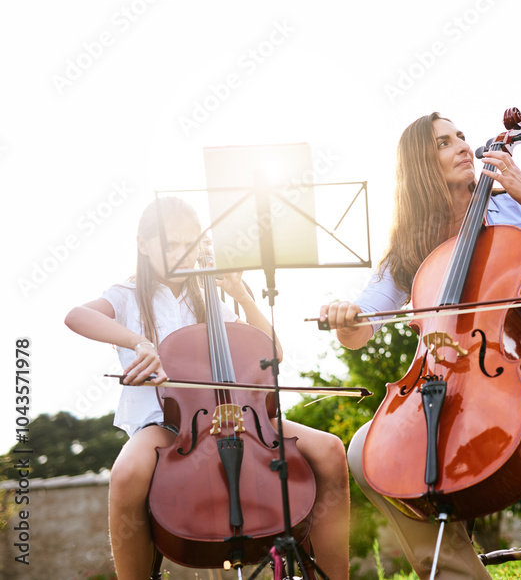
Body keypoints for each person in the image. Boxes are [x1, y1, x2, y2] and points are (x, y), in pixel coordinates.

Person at [319, 112, 521, 580]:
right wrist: (346, 316)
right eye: (445, 142)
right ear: (421, 166)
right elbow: (362, 325)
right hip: (457, 382)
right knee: (366, 451)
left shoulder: (514, 209)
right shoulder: (410, 243)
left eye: (462, 136)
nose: (464, 146)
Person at [65, 196, 349, 580]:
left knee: (330, 450)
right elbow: (76, 316)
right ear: (143, 244)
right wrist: (138, 342)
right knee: (126, 474)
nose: (182, 254)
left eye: (189, 243)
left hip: (241, 420)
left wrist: (242, 296)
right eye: (170, 245)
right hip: (165, 427)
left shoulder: (208, 299)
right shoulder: (127, 295)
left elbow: (271, 353)